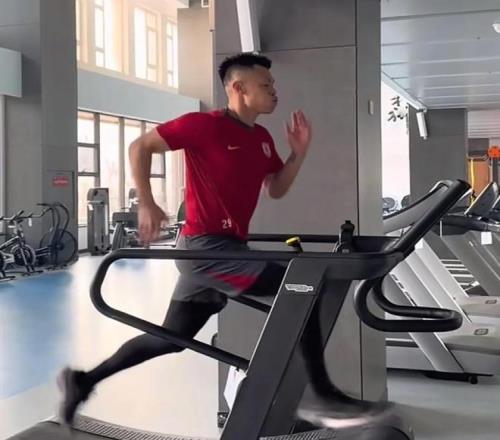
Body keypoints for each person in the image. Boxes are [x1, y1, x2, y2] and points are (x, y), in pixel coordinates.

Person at [57, 52, 312, 425]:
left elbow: (275, 188)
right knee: (302, 284)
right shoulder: (204, 126)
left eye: (273, 84)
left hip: (227, 249)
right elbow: (139, 147)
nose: (275, 90)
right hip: (205, 250)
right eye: (266, 84)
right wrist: (147, 203)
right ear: (238, 88)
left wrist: (297, 155)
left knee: (171, 338)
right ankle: (320, 394)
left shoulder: (261, 138)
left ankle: (83, 380)